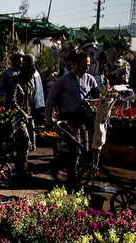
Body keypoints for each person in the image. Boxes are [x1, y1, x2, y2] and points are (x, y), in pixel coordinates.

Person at [45, 52, 100, 190]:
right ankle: (71, 181)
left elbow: (97, 96)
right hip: (67, 119)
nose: (87, 68)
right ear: (75, 64)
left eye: (88, 65)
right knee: (74, 149)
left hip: (83, 119)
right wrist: (48, 118)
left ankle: (75, 173)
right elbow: (51, 98)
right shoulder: (64, 80)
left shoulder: (90, 80)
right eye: (83, 65)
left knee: (86, 149)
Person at [6, 66, 36, 179]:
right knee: (24, 140)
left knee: (24, 142)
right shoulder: (15, 84)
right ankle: (20, 169)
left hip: (22, 118)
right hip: (15, 119)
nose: (31, 78)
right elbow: (12, 102)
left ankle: (21, 167)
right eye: (30, 75)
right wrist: (23, 113)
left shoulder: (26, 85)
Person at [22, 54, 45, 151]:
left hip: (29, 101)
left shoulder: (29, 71)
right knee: (31, 123)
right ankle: (32, 143)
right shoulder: (36, 72)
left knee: (27, 123)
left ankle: (29, 143)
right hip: (35, 100)